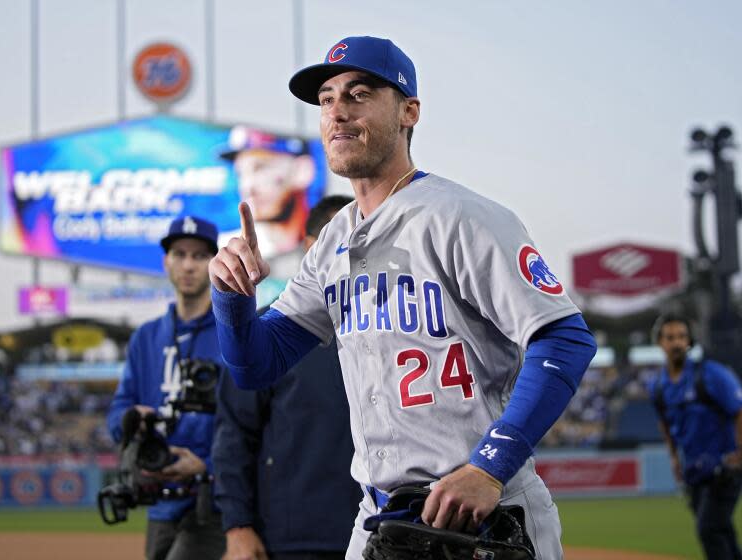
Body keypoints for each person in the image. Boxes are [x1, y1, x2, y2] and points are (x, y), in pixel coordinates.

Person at [208, 35, 597, 559]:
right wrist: (231, 297)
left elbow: (565, 338)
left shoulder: (461, 217)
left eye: (359, 94)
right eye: (326, 99)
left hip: (482, 509)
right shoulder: (331, 242)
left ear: (409, 111)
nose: (337, 112)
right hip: (378, 515)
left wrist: (489, 466)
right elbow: (257, 365)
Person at [213, 195, 362, 560]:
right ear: (311, 247)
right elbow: (234, 434)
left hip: (384, 533)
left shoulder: (399, 326)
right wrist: (238, 526)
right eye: (339, 239)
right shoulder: (270, 330)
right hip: (293, 538)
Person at [107, 215, 226, 560]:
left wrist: (206, 464)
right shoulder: (145, 337)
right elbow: (118, 413)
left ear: (214, 263)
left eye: (200, 256)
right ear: (166, 261)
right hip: (159, 501)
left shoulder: (232, 333)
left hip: (213, 499)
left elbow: (252, 420)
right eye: (180, 254)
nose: (188, 265)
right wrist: (131, 419)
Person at [651, 312, 742, 560]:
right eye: (670, 337)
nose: (677, 342)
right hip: (695, 471)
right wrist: (674, 458)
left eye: (682, 336)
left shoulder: (711, 374)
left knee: (709, 529)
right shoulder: (658, 386)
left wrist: (740, 454)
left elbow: (739, 410)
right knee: (721, 530)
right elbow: (665, 423)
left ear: (689, 341)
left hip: (724, 468)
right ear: (660, 342)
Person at [219, 125, 319, 279]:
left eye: (259, 168)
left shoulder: (330, 244)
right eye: (240, 173)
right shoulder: (226, 253)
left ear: (302, 171)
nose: (247, 187)